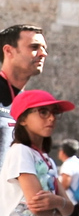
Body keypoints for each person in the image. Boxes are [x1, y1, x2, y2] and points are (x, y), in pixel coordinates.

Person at [0, 90, 75, 216]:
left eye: (54, 113)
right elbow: (37, 204)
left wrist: (56, 203)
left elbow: (69, 209)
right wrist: (59, 207)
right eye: (43, 112)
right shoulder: (20, 151)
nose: (51, 117)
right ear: (23, 119)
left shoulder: (47, 160)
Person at [0, 24, 47, 173]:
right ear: (9, 51)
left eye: (44, 48)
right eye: (34, 47)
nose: (43, 54)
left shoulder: (30, 102)